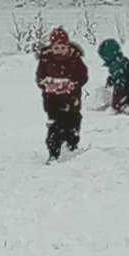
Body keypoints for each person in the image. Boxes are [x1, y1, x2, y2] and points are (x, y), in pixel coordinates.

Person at [35, 27, 89, 162]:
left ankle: (71, 146)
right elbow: (39, 78)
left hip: (72, 99)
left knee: (73, 122)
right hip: (52, 100)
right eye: (56, 47)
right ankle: (54, 152)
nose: (59, 50)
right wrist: (46, 84)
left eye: (62, 47)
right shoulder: (46, 60)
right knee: (55, 126)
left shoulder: (75, 59)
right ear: (52, 47)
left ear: (68, 46)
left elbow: (83, 76)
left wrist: (73, 84)